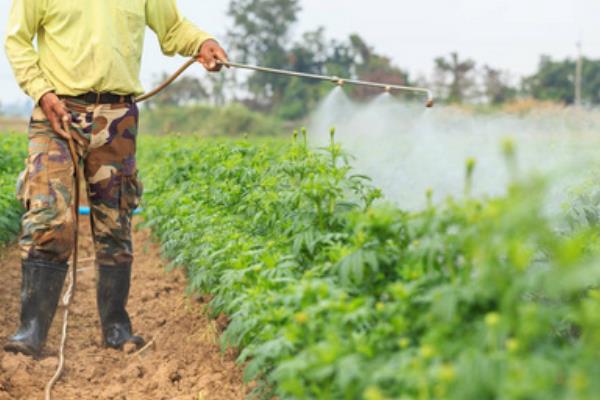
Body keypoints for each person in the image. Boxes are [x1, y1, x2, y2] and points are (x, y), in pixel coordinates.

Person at [4, 0, 228, 357]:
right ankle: (31, 330)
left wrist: (202, 43)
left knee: (115, 220)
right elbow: (16, 39)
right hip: (57, 111)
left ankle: (115, 326)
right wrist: (41, 92)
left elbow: (172, 28)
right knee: (49, 216)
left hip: (117, 116)